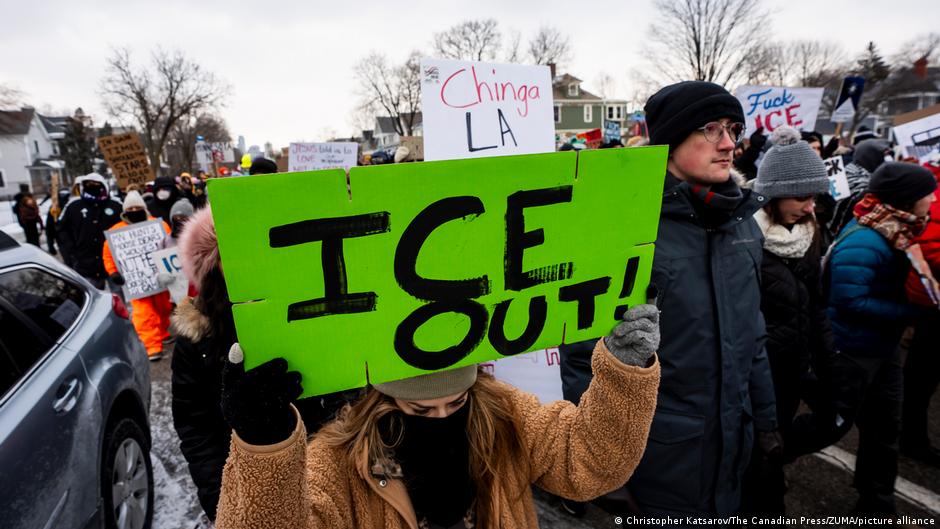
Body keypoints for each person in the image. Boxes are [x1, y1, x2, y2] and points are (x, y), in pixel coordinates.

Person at [212, 300, 660, 529]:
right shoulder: (338, 462)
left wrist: (623, 372)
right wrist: (264, 447)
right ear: (382, 403)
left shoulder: (507, 416)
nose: (443, 416)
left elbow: (590, 463)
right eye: (419, 409)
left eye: (457, 403)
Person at [559, 81, 777, 519]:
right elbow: (585, 356)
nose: (729, 144)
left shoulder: (746, 227)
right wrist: (607, 463)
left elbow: (753, 340)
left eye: (733, 128)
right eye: (711, 129)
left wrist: (767, 424)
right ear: (672, 141)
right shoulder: (625, 230)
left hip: (734, 445)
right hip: (657, 459)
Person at [171, 205, 364, 525]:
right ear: (213, 265)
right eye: (233, 251)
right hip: (252, 489)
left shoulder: (319, 308)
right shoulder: (198, 339)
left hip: (332, 482)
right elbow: (196, 426)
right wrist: (222, 497)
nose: (249, 260)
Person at [739, 126, 844, 514]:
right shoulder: (743, 240)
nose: (810, 206)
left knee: (792, 441)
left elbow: (816, 308)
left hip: (795, 372)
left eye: (814, 196)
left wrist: (829, 367)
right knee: (758, 475)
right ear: (773, 197)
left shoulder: (809, 234)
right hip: (758, 378)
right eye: (801, 197)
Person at [827, 162, 937, 513]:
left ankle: (877, 504)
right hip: (853, 351)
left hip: (882, 348)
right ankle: (765, 465)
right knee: (827, 427)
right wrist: (913, 312)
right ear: (907, 199)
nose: (933, 199)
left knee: (885, 428)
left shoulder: (898, 230)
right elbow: (849, 299)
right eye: (927, 193)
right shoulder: (866, 238)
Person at [900, 161, 940, 467]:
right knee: (920, 379)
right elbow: (927, 243)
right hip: (931, 308)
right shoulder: (931, 193)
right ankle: (911, 438)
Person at [103, 191, 173, 361]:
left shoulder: (160, 225)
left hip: (160, 278)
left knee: (163, 308)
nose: (134, 210)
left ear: (144, 208)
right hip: (136, 283)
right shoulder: (115, 232)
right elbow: (108, 255)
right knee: (144, 312)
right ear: (124, 211)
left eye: (138, 207)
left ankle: (163, 332)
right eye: (130, 208)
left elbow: (170, 245)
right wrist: (113, 273)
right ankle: (152, 346)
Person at [56, 173, 123, 288]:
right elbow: (61, 229)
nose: (93, 187)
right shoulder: (73, 206)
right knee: (94, 301)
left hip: (114, 264)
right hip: (85, 264)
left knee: (119, 299)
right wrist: (72, 252)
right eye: (89, 184)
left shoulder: (116, 205)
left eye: (96, 184)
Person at [828, 139, 893, 240]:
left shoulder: (855, 173)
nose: (887, 161)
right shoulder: (859, 182)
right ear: (871, 157)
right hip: (843, 235)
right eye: (883, 156)